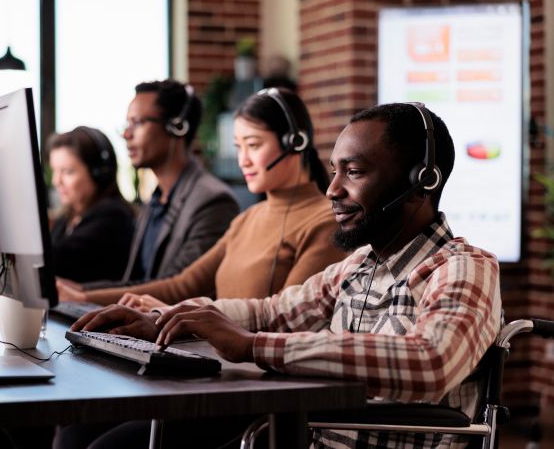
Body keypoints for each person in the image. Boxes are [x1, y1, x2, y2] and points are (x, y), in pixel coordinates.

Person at [66, 103, 502, 448]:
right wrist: (166, 321)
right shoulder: (358, 265)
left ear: (421, 180)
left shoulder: (464, 267)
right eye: (334, 171)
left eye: (354, 172)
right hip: (310, 436)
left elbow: (431, 361)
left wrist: (253, 346)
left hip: (330, 435)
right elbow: (273, 312)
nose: (333, 189)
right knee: (101, 435)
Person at [62, 88, 346, 309]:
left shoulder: (324, 222)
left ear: (295, 142)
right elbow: (182, 285)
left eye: (254, 145)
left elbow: (283, 314)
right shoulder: (247, 219)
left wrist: (182, 314)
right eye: (238, 147)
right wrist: (82, 296)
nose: (243, 160)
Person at [58, 79, 239, 292]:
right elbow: (136, 280)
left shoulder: (212, 201)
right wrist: (79, 290)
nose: (126, 134)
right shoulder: (156, 200)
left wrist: (84, 296)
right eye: (127, 124)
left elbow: (178, 290)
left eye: (137, 123)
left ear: (177, 127)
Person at [48, 126, 134, 283]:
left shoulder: (114, 217)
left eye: (67, 172)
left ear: (99, 172)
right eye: (55, 171)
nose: (56, 181)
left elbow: (54, 261)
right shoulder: (66, 219)